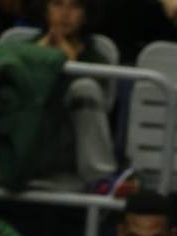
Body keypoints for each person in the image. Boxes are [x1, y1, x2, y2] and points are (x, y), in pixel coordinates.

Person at [34, 0, 118, 188]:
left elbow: (100, 97)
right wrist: (36, 56)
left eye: (75, 6)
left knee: (85, 87)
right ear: (45, 9)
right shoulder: (24, 48)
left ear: (86, 15)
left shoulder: (96, 58)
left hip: (74, 147)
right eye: (57, 4)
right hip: (30, 142)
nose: (65, 13)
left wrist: (71, 62)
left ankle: (100, 180)